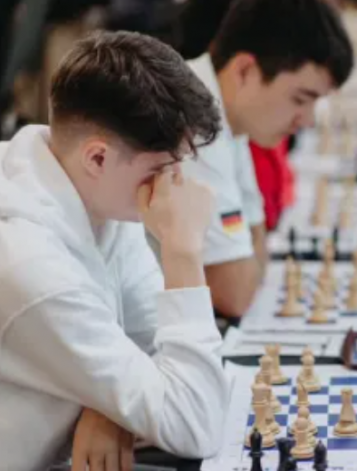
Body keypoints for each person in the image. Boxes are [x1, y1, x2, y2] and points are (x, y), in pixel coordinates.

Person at [0, 31, 228, 471]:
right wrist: (183, 250)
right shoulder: (32, 268)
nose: (175, 186)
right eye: (164, 168)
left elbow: (151, 346)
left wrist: (107, 406)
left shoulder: (92, 190)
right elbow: (195, 420)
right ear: (98, 158)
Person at [184, 0, 354, 318]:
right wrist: (250, 260)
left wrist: (251, 260)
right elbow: (237, 294)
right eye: (300, 99)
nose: (307, 121)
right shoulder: (193, 126)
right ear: (244, 71)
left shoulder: (230, 119)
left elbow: (257, 236)